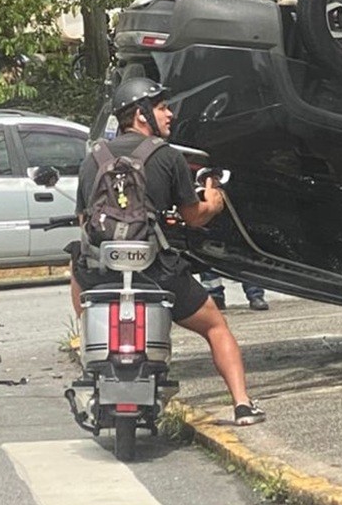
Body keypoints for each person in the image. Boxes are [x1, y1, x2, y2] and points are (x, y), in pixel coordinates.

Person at [70, 77, 267, 424]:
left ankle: (89, 342)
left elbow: (84, 220)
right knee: (216, 327)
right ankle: (242, 404)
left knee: (76, 268)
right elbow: (193, 218)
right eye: (162, 107)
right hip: (155, 271)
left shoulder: (93, 159)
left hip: (102, 274)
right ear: (141, 115)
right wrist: (214, 203)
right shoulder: (167, 157)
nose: (170, 114)